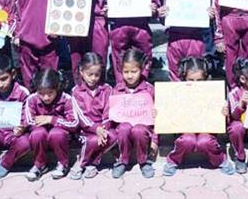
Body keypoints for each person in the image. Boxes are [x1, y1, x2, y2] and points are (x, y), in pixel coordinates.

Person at [162, 56, 235, 177]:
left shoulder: (213, 93)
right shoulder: (177, 94)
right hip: (185, 130)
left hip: (207, 130)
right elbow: (170, 116)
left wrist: (224, 114)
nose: (195, 84)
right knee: (187, 140)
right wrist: (160, 113)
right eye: (190, 80)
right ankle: (173, 160)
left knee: (205, 142)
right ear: (184, 79)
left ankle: (220, 160)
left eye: (199, 80)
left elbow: (222, 122)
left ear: (206, 79)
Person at [107, 0, 160, 83]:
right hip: (120, 27)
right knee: (119, 56)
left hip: (141, 27)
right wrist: (108, 9)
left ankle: (143, 83)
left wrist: (153, 10)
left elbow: (156, 12)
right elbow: (108, 8)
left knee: (144, 55)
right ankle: (121, 84)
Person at [158, 0, 211, 81]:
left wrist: (210, 16)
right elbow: (164, 21)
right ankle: (177, 100)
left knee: (196, 72)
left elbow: (207, 22)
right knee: (175, 73)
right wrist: (161, 15)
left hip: (195, 39)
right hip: (176, 39)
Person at [23, 68, 82, 181]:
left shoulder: (66, 98)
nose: (46, 97)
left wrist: (52, 120)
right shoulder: (32, 99)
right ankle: (40, 164)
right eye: (41, 93)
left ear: (57, 88)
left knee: (56, 133)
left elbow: (74, 123)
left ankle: (63, 163)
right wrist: (43, 127)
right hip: (41, 137)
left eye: (50, 93)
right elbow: (29, 121)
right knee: (38, 133)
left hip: (62, 138)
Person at [69, 52, 117, 180]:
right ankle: (80, 163)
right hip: (85, 130)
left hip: (103, 127)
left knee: (113, 136)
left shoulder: (107, 89)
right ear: (81, 71)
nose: (93, 78)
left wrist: (103, 128)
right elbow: (80, 116)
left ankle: (94, 162)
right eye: (89, 74)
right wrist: (96, 129)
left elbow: (109, 111)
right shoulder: (76, 91)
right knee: (93, 140)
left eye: (97, 75)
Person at [110, 48, 157, 179]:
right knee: (124, 127)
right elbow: (112, 117)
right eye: (126, 72)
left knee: (138, 130)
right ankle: (122, 160)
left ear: (142, 69)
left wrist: (155, 140)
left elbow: (157, 119)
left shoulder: (149, 90)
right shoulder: (117, 90)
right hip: (123, 130)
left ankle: (144, 161)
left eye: (134, 71)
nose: (130, 75)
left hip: (143, 130)